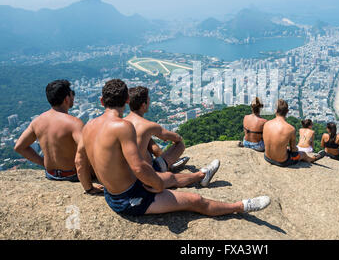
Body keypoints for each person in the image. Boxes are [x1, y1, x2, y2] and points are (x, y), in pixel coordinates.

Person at [78, 79, 270, 216]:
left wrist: (89, 188)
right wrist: (158, 185)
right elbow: (138, 167)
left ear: (102, 101)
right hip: (129, 199)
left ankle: (201, 176)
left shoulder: (88, 126)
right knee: (195, 201)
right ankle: (240, 206)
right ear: (127, 101)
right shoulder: (122, 126)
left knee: (170, 176)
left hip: (114, 193)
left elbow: (79, 161)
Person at [14, 80, 101, 193]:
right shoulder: (74, 123)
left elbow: (19, 147)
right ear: (66, 99)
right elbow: (87, 151)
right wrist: (89, 187)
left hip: (50, 174)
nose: (73, 96)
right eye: (72, 93)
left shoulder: (37, 121)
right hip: (72, 175)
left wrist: (43, 162)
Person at [124, 86, 218, 189]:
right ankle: (202, 175)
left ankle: (168, 166)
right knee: (178, 152)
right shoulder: (148, 125)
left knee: (151, 147)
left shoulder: (122, 124)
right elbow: (176, 138)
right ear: (143, 105)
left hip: (128, 175)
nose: (149, 102)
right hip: (148, 172)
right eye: (148, 100)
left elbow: (154, 148)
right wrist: (177, 138)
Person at [263, 99, 322, 167]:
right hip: (282, 161)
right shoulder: (290, 129)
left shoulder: (266, 124)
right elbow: (293, 150)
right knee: (303, 154)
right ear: (287, 111)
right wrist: (296, 149)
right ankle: (312, 159)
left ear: (275, 110)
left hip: (267, 157)